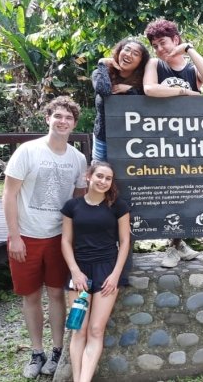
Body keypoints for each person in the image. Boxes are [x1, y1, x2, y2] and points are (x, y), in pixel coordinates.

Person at [2, 96, 88, 378]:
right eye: (58, 116)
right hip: (26, 235)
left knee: (56, 294)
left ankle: (57, 350)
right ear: (48, 118)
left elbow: (78, 200)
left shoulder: (78, 158)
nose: (63, 121)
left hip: (58, 237)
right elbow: (9, 194)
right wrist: (14, 236)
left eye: (68, 118)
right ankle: (36, 351)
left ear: (74, 124)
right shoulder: (28, 151)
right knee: (30, 295)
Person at [143, 18, 203, 267]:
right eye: (155, 45)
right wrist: (184, 92)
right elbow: (150, 89)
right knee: (169, 192)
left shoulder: (190, 70)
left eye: (164, 43)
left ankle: (179, 243)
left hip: (191, 140)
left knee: (187, 194)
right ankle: (172, 246)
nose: (160, 49)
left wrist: (189, 49)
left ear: (176, 40)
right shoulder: (155, 64)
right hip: (162, 140)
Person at [61, 161, 131, 382]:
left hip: (107, 271)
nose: (103, 181)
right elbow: (65, 241)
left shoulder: (118, 206)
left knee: (96, 330)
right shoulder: (72, 206)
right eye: (100, 176)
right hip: (79, 272)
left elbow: (125, 241)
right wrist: (75, 272)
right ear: (89, 176)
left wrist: (116, 274)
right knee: (78, 330)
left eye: (108, 178)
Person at [91, 38, 150, 162]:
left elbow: (145, 104)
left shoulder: (144, 82)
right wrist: (102, 63)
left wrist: (129, 89)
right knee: (101, 175)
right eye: (127, 50)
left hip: (132, 141)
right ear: (119, 51)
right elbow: (105, 91)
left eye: (135, 53)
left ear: (141, 62)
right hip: (103, 138)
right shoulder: (100, 73)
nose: (129, 54)